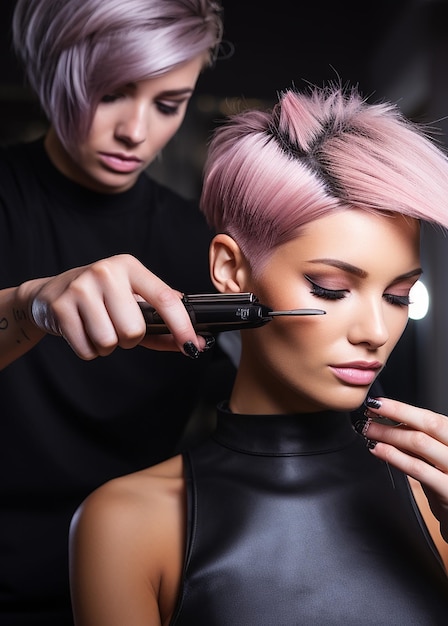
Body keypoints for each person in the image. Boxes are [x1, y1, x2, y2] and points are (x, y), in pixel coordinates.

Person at [69, 85, 448, 625]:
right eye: (330, 288)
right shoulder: (126, 523)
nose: (375, 332)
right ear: (230, 270)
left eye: (399, 296)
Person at [0, 1, 235, 624]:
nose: (137, 132)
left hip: (139, 586)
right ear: (55, 73)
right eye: (111, 94)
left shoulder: (198, 243)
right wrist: (28, 308)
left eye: (168, 104)